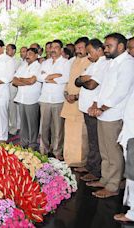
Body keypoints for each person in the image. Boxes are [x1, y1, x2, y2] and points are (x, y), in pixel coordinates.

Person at [87, 33, 134, 198]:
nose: (105, 49)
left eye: (109, 46)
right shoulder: (110, 63)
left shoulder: (127, 64)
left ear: (120, 46)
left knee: (113, 153)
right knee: (105, 151)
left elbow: (120, 91)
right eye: (105, 46)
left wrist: (103, 107)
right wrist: (94, 104)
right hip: (102, 113)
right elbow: (101, 87)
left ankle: (113, 186)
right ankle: (105, 179)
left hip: (113, 114)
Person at [75, 38, 109, 182]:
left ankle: (96, 171)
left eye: (90, 52)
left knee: (95, 141)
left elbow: (91, 85)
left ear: (99, 50)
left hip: (94, 108)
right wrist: (84, 78)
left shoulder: (104, 64)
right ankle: (90, 166)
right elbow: (78, 81)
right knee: (91, 140)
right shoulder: (93, 64)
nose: (88, 55)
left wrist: (84, 79)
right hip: (86, 108)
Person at [61, 37, 92, 167]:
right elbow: (69, 81)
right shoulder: (73, 61)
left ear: (87, 48)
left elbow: (90, 85)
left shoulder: (91, 62)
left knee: (80, 135)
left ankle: (80, 162)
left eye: (81, 48)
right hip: (69, 102)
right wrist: (67, 93)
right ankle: (68, 159)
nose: (78, 50)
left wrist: (76, 96)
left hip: (81, 103)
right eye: (77, 48)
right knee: (69, 133)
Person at [38, 40, 70, 160]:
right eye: (51, 47)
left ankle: (57, 151)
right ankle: (43, 150)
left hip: (58, 99)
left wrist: (47, 77)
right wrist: (54, 76)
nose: (53, 49)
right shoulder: (45, 62)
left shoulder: (66, 63)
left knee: (58, 128)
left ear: (61, 50)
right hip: (45, 98)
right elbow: (39, 77)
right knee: (44, 127)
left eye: (56, 47)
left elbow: (65, 78)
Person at [114, 37, 134, 223]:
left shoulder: (127, 65)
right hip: (129, 129)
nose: (130, 51)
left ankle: (132, 213)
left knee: (133, 171)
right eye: (129, 48)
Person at [13, 48, 42, 150]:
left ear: (36, 55)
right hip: (21, 98)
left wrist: (21, 79)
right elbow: (14, 80)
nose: (27, 56)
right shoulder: (23, 65)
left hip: (32, 99)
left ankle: (33, 144)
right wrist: (24, 81)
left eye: (30, 54)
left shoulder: (38, 66)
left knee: (32, 123)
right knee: (23, 123)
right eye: (27, 54)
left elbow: (32, 81)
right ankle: (23, 142)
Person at [6, 43, 19, 136]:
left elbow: (16, 75)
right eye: (6, 49)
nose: (6, 51)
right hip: (3, 89)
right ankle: (5, 128)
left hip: (12, 88)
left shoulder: (18, 62)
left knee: (12, 110)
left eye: (8, 49)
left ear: (14, 51)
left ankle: (13, 129)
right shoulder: (4, 61)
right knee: (4, 109)